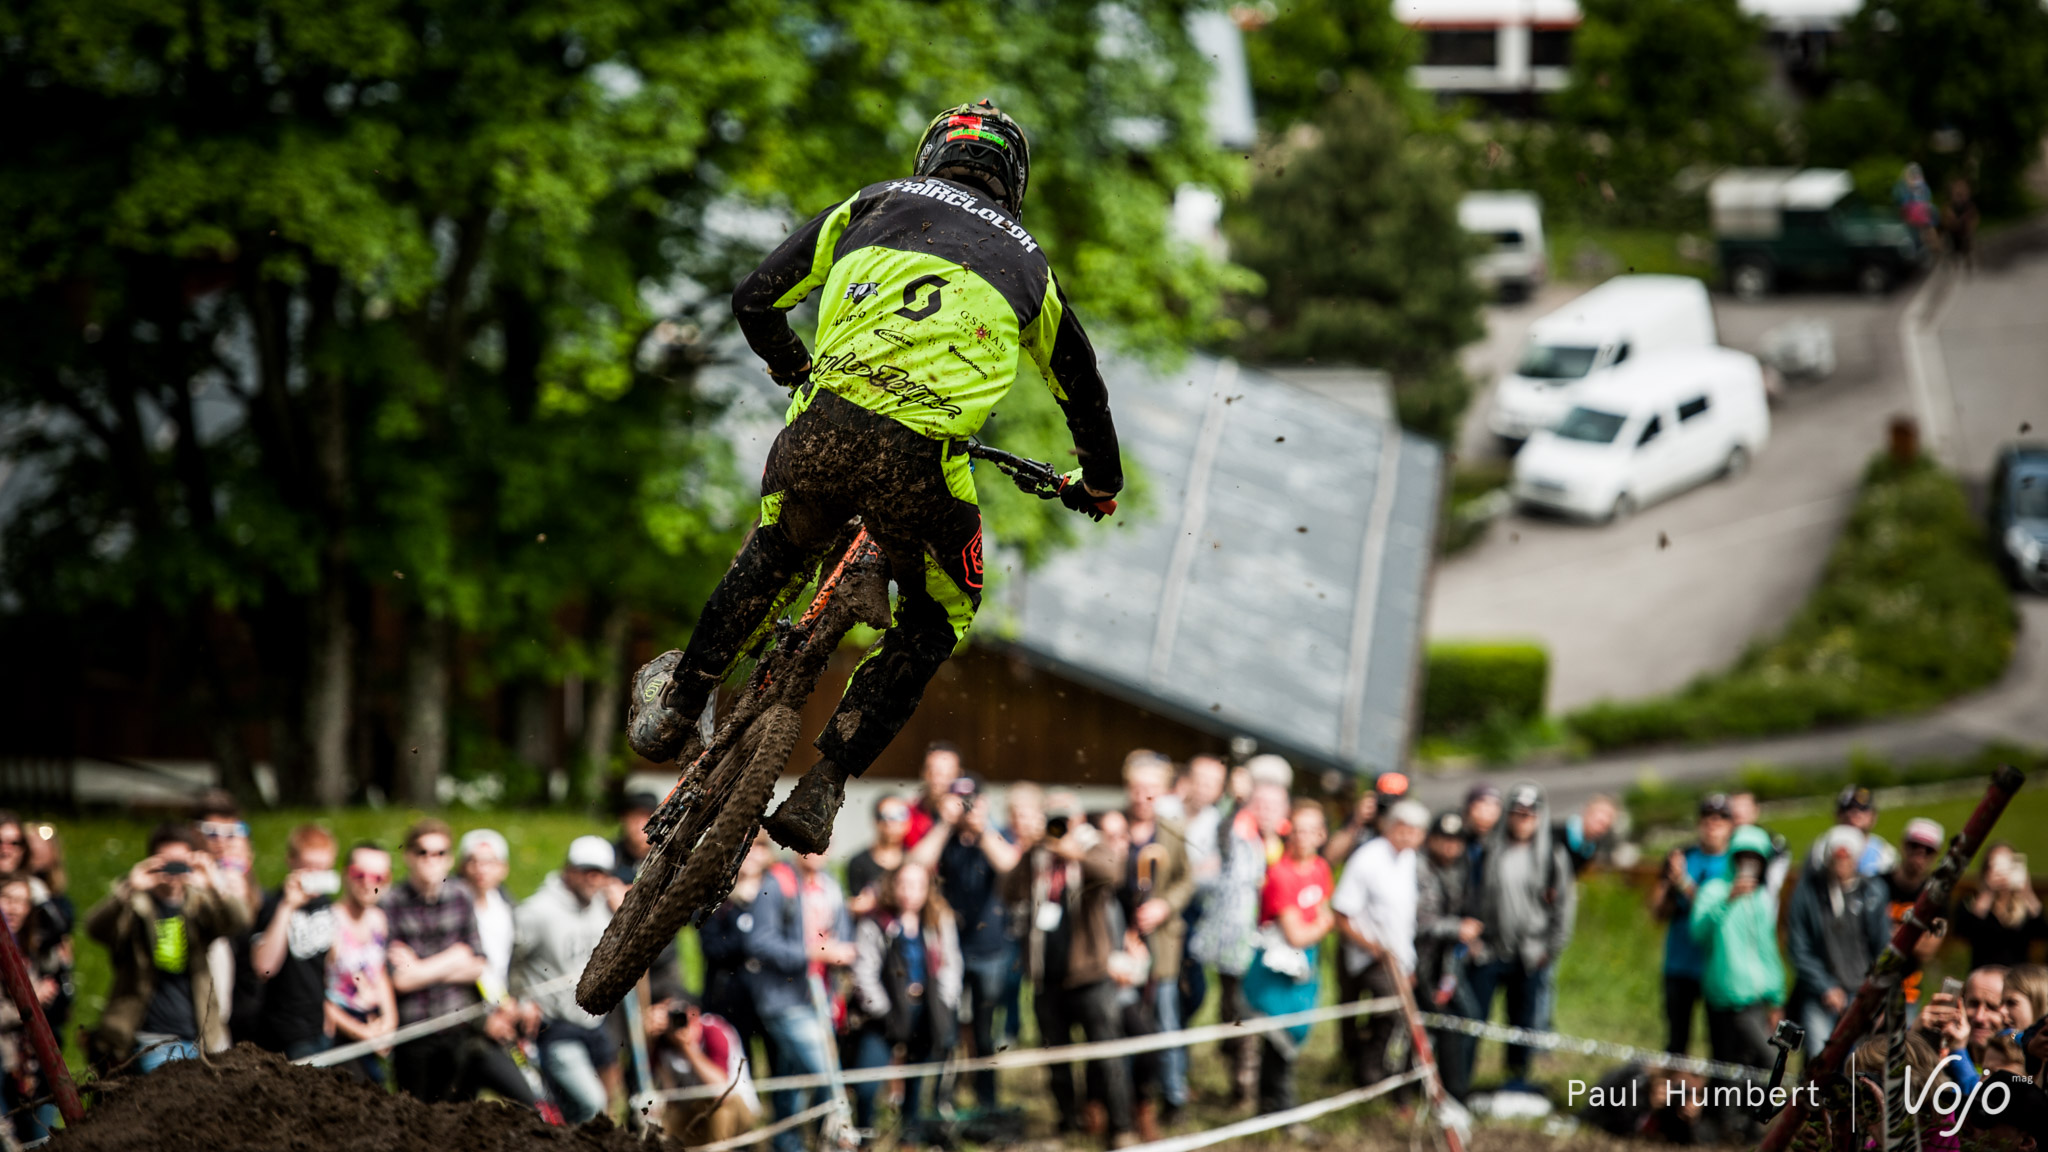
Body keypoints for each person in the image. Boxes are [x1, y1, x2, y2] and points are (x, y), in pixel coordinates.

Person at [623, 100, 1124, 858]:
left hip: (822, 431)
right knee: (936, 620)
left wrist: (793, 366)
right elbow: (1082, 392)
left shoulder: (875, 202)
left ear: (931, 155)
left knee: (775, 551)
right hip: (919, 463)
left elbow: (754, 299)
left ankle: (679, 702)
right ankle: (825, 786)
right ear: (1014, 181)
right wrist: (1098, 483)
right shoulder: (1030, 268)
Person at [384, 818, 536, 1107]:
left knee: (455, 1118)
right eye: (422, 852)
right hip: (414, 1029)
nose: (431, 860)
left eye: (439, 853)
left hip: (458, 1027)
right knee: (413, 1115)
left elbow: (478, 964)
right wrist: (453, 958)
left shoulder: (461, 897)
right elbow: (400, 979)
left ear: (448, 859)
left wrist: (420, 968)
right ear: (408, 856)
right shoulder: (392, 902)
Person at [698, 832, 829, 1152]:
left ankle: (784, 1139)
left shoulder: (781, 891)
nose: (753, 854)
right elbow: (713, 947)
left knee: (782, 1070)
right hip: (730, 998)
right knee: (740, 1073)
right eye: (746, 847)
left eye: (759, 847)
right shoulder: (717, 897)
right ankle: (742, 1140)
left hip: (773, 999)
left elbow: (797, 940)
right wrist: (754, 927)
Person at [85, 823, 250, 1072]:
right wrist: (128, 888)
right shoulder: (136, 903)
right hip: (148, 1034)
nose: (173, 872)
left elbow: (239, 921)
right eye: (166, 862)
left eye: (180, 863)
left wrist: (214, 884)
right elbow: (94, 928)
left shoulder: (199, 904)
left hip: (196, 1032)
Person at [906, 770, 1018, 1112]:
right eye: (961, 800)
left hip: (990, 952)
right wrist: (944, 823)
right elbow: (917, 863)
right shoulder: (945, 837)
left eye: (972, 800)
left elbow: (1009, 865)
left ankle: (987, 1100)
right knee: (946, 1029)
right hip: (951, 951)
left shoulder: (992, 833)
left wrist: (981, 826)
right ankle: (943, 1100)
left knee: (984, 1034)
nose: (966, 807)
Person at [1026, 804, 1137, 1146]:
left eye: (1065, 820)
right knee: (1056, 1058)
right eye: (1053, 820)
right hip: (1048, 975)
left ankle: (1122, 1128)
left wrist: (1071, 849)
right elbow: (1010, 889)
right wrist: (1034, 848)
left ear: (1078, 822)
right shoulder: (1039, 856)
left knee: (1108, 1056)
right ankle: (1066, 1122)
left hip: (1090, 976)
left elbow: (1111, 871)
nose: (1058, 827)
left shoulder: (1093, 845)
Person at [1186, 772, 1288, 1109]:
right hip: (1240, 945)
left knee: (1267, 1015)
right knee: (1237, 1013)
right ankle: (1242, 1087)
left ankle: (1263, 1085)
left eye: (1274, 805)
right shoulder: (1238, 839)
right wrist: (1235, 800)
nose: (1267, 811)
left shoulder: (1289, 845)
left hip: (1281, 947)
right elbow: (1222, 829)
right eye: (1261, 804)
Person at [1470, 782, 1575, 1092]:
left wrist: (1550, 949)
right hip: (1490, 951)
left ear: (1539, 817)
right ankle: (1461, 1077)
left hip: (1530, 956)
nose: (1522, 819)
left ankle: (1516, 1082)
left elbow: (1565, 908)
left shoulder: (1552, 856)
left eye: (1529, 814)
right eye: (1516, 813)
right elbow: (1472, 895)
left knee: (1522, 1025)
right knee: (1473, 1020)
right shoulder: (1490, 850)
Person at [513, 836, 626, 1125]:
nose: (593, 879)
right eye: (586, 871)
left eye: (600, 873)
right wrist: (519, 999)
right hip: (556, 1025)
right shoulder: (537, 911)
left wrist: (625, 914)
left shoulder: (606, 905)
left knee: (606, 1106)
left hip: (596, 1022)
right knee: (592, 1103)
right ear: (569, 870)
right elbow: (508, 959)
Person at [850, 861, 962, 1139]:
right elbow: (864, 972)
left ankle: (909, 1136)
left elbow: (951, 964)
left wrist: (944, 1002)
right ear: (893, 886)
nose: (910, 892)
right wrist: (884, 1011)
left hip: (925, 1011)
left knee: (915, 1076)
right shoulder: (876, 924)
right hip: (882, 1018)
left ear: (927, 889)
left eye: (917, 885)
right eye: (904, 884)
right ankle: (864, 1135)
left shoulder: (937, 921)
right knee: (866, 1083)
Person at [1116, 752, 1197, 1122]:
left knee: (1165, 1019)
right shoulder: (1114, 826)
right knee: (1126, 1020)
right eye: (1136, 790)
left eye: (1150, 791)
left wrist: (1164, 906)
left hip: (1161, 943)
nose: (1142, 798)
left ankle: (1173, 1094)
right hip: (1122, 943)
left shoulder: (1172, 831)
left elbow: (1186, 880)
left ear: (1162, 792)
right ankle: (1129, 1095)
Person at [1332, 800, 1428, 1092]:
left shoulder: (1411, 861)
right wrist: (1372, 947)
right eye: (1403, 828)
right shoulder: (1368, 857)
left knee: (1389, 1015)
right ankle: (1364, 1073)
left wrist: (1406, 962)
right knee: (1378, 1012)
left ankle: (1371, 1071)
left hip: (1395, 954)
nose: (1408, 835)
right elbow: (1341, 913)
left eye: (1415, 831)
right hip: (1365, 954)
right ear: (1391, 826)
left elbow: (1403, 920)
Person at [1245, 800, 1333, 1122]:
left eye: (1311, 830)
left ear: (1322, 834)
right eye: (1298, 830)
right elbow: (1298, 933)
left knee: (1288, 1040)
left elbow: (1320, 914)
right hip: (1275, 971)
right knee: (1277, 1040)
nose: (1304, 837)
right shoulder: (1280, 874)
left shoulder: (1320, 868)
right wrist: (1323, 925)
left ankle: (1272, 1108)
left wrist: (1319, 925)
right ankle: (1280, 1110)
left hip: (1303, 968)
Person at [1689, 825, 1787, 1077]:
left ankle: (1744, 1114)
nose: (1748, 863)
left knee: (1756, 1060)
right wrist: (1726, 900)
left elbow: (1768, 950)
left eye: (1755, 858)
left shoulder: (1759, 899)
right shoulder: (1714, 890)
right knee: (1723, 1062)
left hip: (1753, 999)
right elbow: (1698, 932)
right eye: (1743, 856)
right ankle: (1721, 1115)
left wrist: (1776, 998)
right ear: (1733, 857)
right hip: (1722, 996)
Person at [1785, 825, 1890, 1058]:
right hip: (1820, 994)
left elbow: (1883, 947)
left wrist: (1879, 994)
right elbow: (1799, 947)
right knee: (1818, 1059)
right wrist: (1825, 986)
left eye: (1847, 856)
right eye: (1837, 856)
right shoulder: (1808, 892)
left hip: (1862, 993)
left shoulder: (1874, 892)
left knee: (1860, 1062)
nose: (1842, 862)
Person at [247, 823, 342, 1058]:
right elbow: (264, 968)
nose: (316, 876)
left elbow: (328, 965)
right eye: (309, 868)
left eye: (322, 868)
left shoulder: (325, 904)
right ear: (291, 861)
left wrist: (330, 1008)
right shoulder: (274, 905)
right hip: (285, 1033)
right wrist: (288, 906)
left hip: (319, 1027)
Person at [1653, 793, 1734, 1055]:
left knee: (1720, 1044)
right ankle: (1672, 1094)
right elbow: (1657, 912)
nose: (1713, 823)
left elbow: (1718, 914)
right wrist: (1670, 884)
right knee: (1677, 1041)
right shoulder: (1682, 856)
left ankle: (1716, 1095)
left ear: (1731, 825)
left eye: (1721, 818)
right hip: (1679, 963)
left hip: (1715, 967)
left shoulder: (1735, 864)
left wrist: (1684, 884)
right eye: (1707, 817)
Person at [1, 869, 70, 1145]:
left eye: (22, 901)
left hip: (33, 1068)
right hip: (4, 1061)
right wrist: (28, 1005)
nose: (14, 908)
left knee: (41, 1140)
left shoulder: (37, 950)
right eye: (6, 898)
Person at [1415, 812, 1481, 1101]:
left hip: (1447, 963)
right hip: (1417, 963)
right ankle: (1420, 1087)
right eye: (1443, 840)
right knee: (1427, 1024)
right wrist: (1457, 928)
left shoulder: (1464, 869)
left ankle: (1455, 1088)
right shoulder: (1416, 868)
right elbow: (1416, 921)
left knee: (1462, 1017)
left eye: (1456, 841)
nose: (1449, 847)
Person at [323, 842, 398, 1081]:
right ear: (345, 874)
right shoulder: (330, 922)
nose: (368, 883)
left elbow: (380, 974)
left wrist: (389, 1023)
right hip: (340, 1033)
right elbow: (317, 992)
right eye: (359, 874)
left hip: (372, 1025)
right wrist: (363, 1033)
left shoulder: (379, 919)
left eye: (378, 877)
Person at [651, 994, 760, 1144]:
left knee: (718, 1112)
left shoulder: (714, 1031)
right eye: (671, 1017)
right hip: (693, 1110)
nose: (678, 1023)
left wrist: (687, 1048)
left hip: (736, 1107)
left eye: (681, 1016)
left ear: (694, 1014)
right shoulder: (663, 1044)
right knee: (666, 1121)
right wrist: (646, 1036)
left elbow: (720, 1091)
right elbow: (669, 1099)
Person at [610, 792, 685, 1005]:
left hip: (663, 956)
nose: (640, 825)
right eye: (633, 817)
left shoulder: (672, 857)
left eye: (646, 817)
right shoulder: (610, 857)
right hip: (617, 957)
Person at [1884, 818, 1948, 1005]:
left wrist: (1887, 931)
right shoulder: (1877, 885)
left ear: (1936, 855)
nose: (1920, 854)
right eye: (1915, 845)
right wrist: (1913, 934)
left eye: (1928, 850)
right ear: (1903, 845)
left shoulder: (1937, 897)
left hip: (1907, 992)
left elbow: (1928, 949)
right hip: (1865, 986)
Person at [1955, 841, 2045, 969]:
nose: (2002, 873)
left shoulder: (2025, 907)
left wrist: (2027, 892)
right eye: (1997, 866)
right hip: (1983, 977)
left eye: (2008, 866)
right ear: (1986, 870)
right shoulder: (1971, 903)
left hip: (2016, 978)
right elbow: (1965, 931)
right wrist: (1987, 893)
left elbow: (2041, 933)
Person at [1919, 966, 2008, 1093]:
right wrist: (1917, 1036)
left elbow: (1983, 1101)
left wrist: (1958, 1052)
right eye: (1973, 1004)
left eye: (1992, 1007)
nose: (1979, 1017)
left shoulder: (2018, 1066)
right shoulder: (1944, 1051)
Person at [903, 743, 964, 850]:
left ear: (959, 775)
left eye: (946, 774)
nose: (937, 780)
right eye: (932, 772)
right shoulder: (910, 814)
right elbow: (915, 861)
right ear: (922, 772)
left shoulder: (969, 808)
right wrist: (945, 823)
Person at [1827, 786, 1897, 877]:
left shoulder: (1884, 855)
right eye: (1848, 808)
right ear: (1838, 815)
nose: (1855, 813)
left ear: (1874, 816)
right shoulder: (1822, 850)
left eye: (1863, 808)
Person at [1558, 795, 1618, 876]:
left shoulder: (1592, 846)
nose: (1600, 829)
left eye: (1605, 826)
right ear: (1587, 813)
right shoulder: (1557, 836)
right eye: (1599, 822)